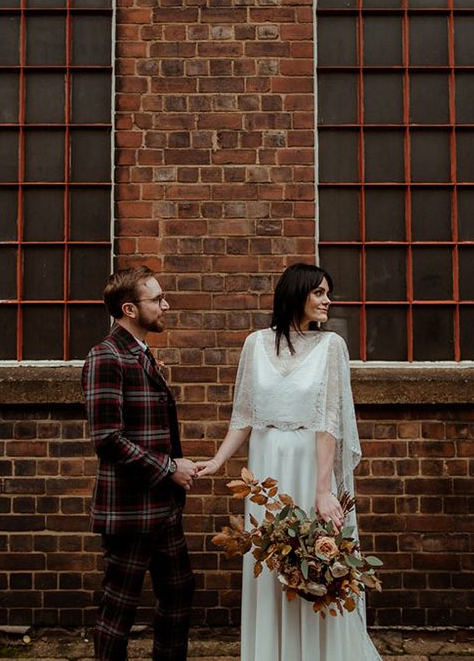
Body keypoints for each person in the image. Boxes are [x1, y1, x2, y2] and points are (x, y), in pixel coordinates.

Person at [196, 263, 381, 661]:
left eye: (327, 292)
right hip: (265, 465)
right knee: (271, 558)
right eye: (318, 292)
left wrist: (323, 489)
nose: (327, 300)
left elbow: (328, 420)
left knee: (315, 556)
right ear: (296, 294)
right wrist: (216, 460)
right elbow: (243, 416)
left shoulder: (332, 346)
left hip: (309, 461)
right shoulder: (255, 344)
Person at [83, 266, 198, 661]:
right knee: (119, 609)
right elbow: (107, 439)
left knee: (180, 593)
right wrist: (171, 468)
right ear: (130, 308)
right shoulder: (106, 357)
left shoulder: (142, 355)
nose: (165, 305)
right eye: (157, 300)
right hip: (130, 510)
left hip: (163, 509)